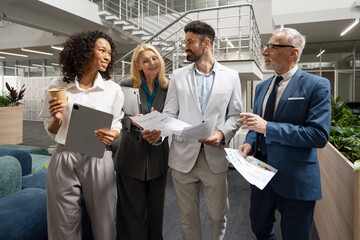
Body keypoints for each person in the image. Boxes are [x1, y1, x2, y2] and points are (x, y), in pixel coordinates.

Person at [143, 20, 242, 240]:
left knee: (218, 217)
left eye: (190, 42)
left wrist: (222, 134)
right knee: (188, 219)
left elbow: (235, 115)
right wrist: (159, 126)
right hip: (182, 159)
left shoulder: (231, 76)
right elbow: (170, 113)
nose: (185, 46)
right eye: (185, 41)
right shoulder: (178, 76)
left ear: (206, 43)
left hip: (214, 158)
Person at [237, 28, 331, 240]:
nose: (264, 52)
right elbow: (256, 124)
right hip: (260, 174)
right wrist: (249, 142)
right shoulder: (262, 87)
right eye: (266, 46)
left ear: (293, 53)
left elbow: (318, 135)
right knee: (259, 228)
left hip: (295, 178)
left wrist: (267, 128)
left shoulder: (317, 85)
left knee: (294, 235)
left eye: (272, 47)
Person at [39, 31, 124, 240]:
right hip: (64, 156)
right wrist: (57, 119)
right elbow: (50, 128)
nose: (107, 56)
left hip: (98, 156)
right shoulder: (58, 85)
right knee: (63, 223)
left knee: (104, 221)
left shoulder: (113, 90)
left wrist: (112, 134)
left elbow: (117, 124)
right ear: (85, 52)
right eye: (102, 50)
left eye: (109, 53)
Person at [114, 44, 169, 240]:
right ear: (138, 65)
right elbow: (114, 117)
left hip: (158, 158)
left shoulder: (168, 87)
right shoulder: (126, 85)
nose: (151, 63)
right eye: (145, 60)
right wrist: (131, 120)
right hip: (130, 157)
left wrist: (162, 124)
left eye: (154, 59)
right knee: (131, 216)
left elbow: (174, 116)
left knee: (156, 215)